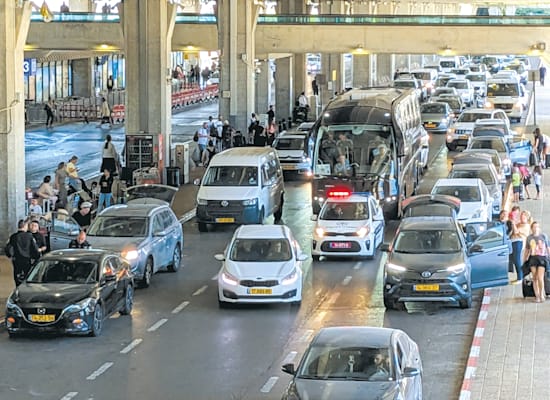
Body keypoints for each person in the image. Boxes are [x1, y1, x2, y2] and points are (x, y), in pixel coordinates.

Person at [524, 221, 550, 303]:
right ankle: (537, 295)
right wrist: (525, 259)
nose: (536, 228)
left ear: (539, 228)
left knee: (540, 277)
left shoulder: (543, 236)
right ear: (531, 228)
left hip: (542, 258)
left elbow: (547, 247)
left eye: (537, 227)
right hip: (533, 258)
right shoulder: (529, 238)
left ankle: (542, 294)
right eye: (534, 227)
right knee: (534, 277)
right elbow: (527, 249)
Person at [7, 220, 39, 286]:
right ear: (25, 226)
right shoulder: (29, 236)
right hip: (27, 260)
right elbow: (34, 248)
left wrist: (10, 256)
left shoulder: (13, 236)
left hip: (17, 260)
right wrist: (37, 257)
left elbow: (9, 248)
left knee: (17, 277)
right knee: (28, 277)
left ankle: (18, 290)